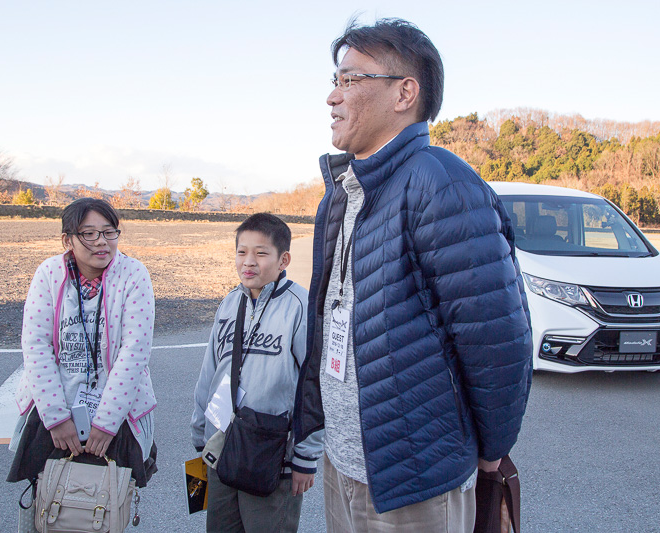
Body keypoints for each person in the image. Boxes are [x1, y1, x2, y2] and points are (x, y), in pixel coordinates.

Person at [293, 18, 533, 532]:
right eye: (334, 81)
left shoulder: (439, 182)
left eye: (350, 80)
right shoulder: (340, 195)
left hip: (416, 480)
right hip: (345, 462)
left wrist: (493, 452)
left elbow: (497, 339)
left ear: (404, 93)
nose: (333, 97)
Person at [8, 197, 157, 492]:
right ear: (68, 240)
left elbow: (134, 352)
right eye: (89, 234)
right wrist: (56, 417)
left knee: (105, 504)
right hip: (57, 411)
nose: (101, 242)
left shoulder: (133, 274)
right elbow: (36, 346)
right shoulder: (49, 274)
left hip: (116, 410)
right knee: (48, 499)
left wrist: (107, 422)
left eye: (109, 231)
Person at [192, 213, 324, 533]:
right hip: (220, 446)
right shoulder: (229, 303)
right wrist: (200, 435)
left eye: (261, 253)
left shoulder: (299, 307)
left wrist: (305, 457)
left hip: (271, 452)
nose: (248, 262)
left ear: (283, 260)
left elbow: (315, 385)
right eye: (241, 252)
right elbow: (209, 371)